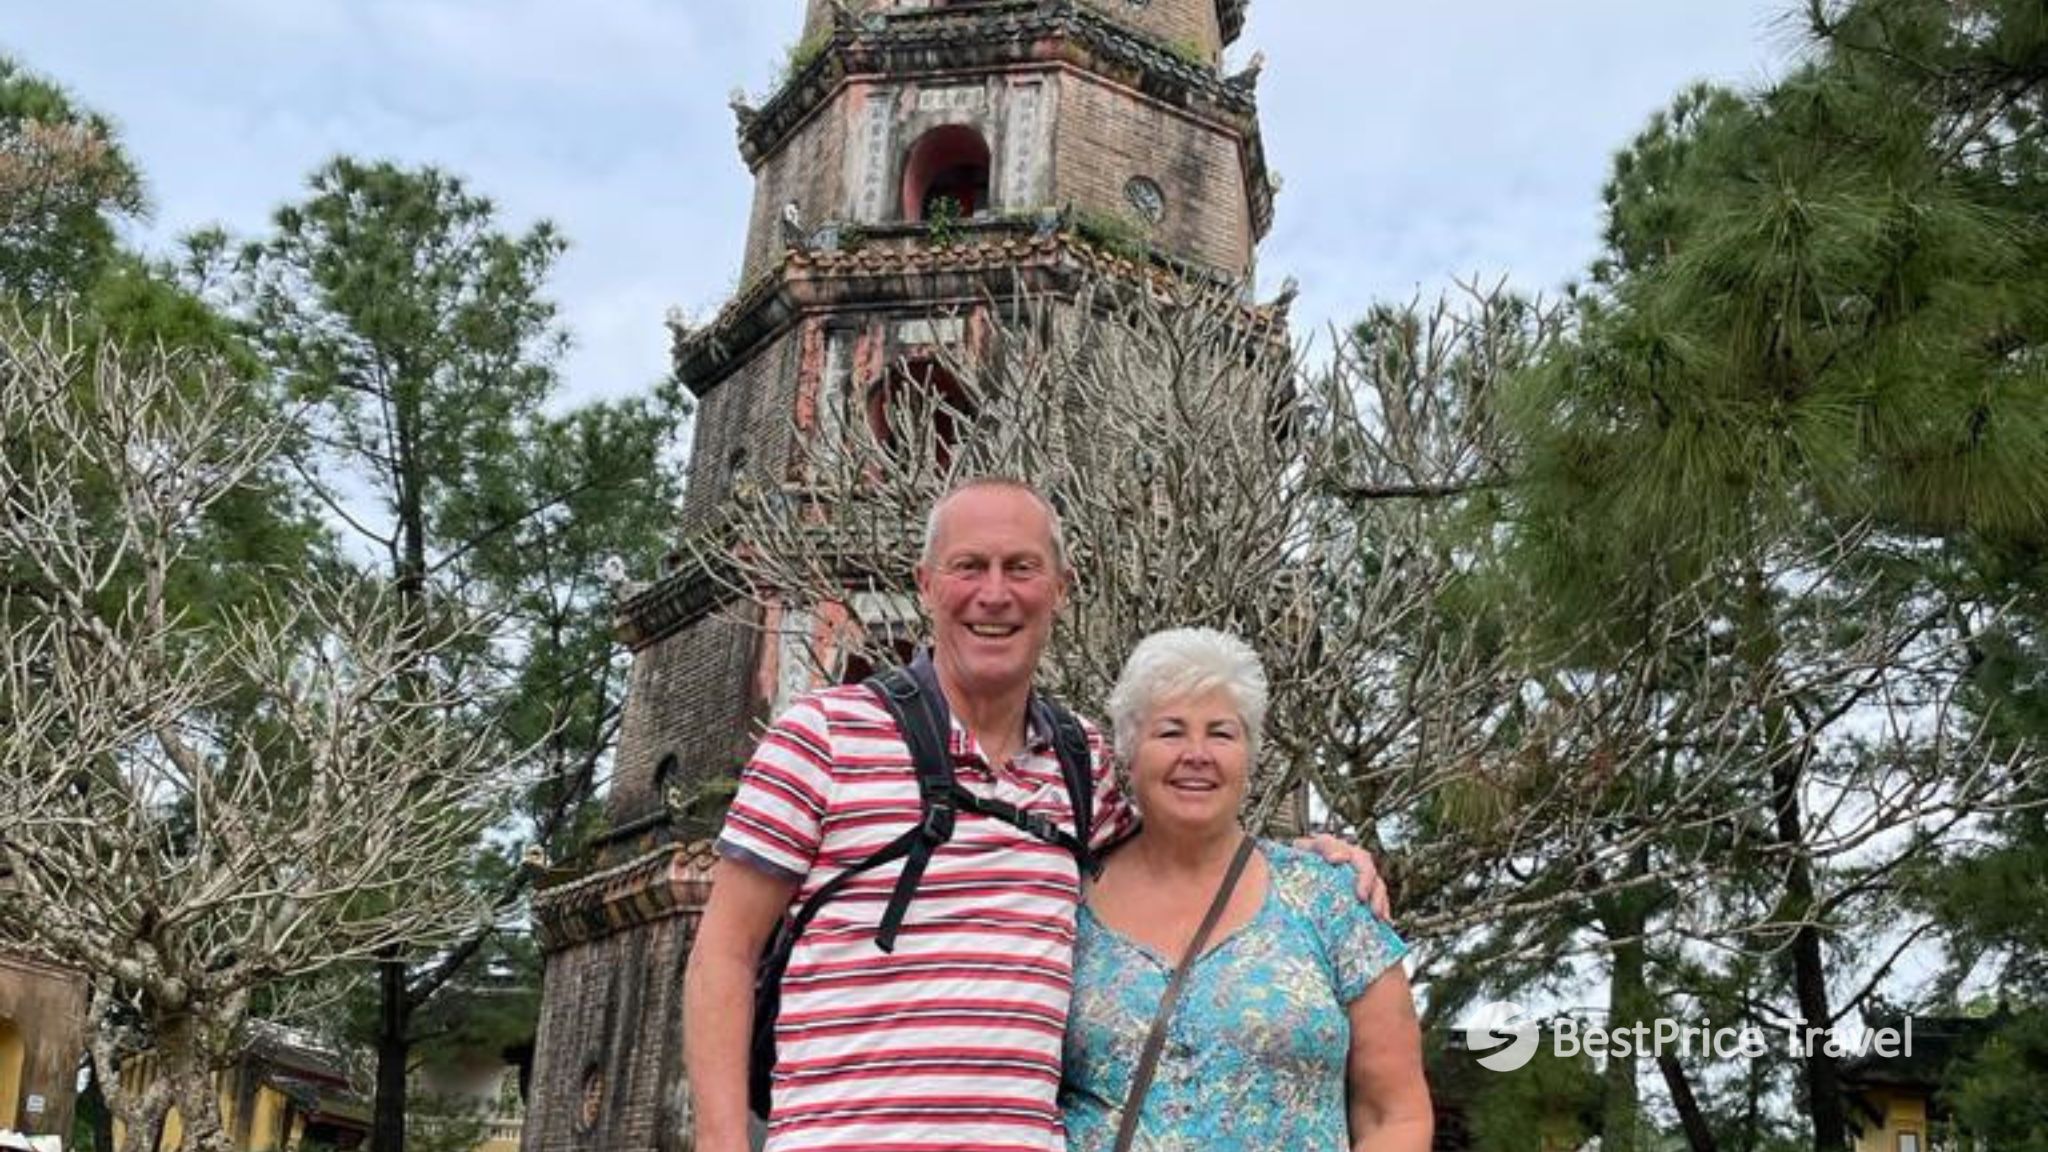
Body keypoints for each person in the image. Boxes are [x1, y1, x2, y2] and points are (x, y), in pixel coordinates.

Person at [683, 478, 1385, 1152]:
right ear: (925, 584)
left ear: (1060, 589)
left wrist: (1307, 861)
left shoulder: (1081, 766)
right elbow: (725, 951)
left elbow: (1181, 852)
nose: (994, 594)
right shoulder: (824, 736)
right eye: (969, 566)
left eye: (1021, 568)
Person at [1062, 628, 1432, 1152]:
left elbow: (1395, 1114)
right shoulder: (1063, 902)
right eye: (1170, 732)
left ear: (1250, 756)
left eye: (1221, 733)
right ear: (1129, 752)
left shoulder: (1328, 899)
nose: (1197, 753)